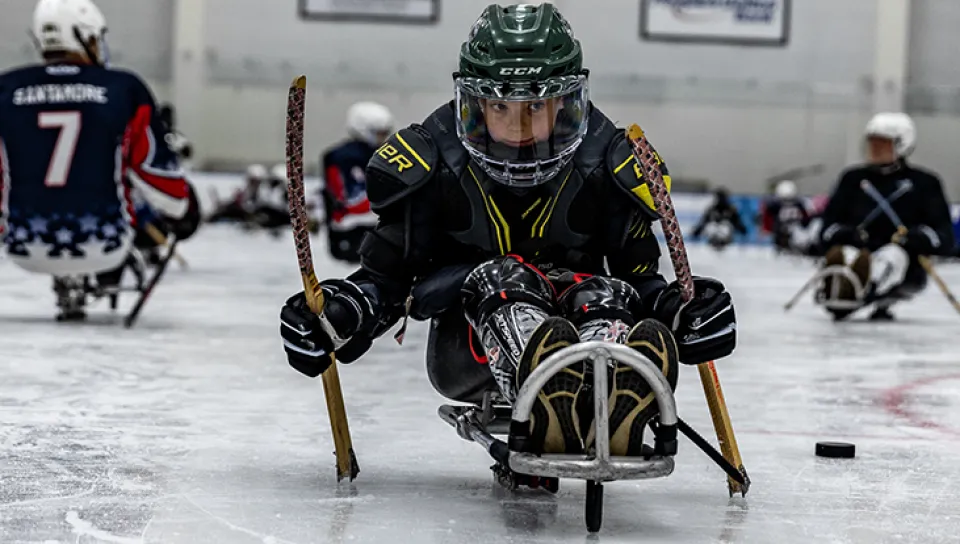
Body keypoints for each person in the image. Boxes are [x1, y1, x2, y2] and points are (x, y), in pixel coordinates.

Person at [279, 3, 736, 462]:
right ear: (474, 102)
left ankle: (608, 389)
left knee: (606, 292)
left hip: (582, 314)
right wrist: (339, 315)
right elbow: (387, 283)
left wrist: (685, 310)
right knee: (502, 277)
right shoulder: (430, 159)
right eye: (501, 105)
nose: (518, 127)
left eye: (535, 105)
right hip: (467, 348)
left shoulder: (611, 162)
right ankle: (550, 390)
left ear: (564, 102)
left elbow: (641, 284)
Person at [0, 0, 199, 320]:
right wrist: (184, 211)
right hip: (105, 246)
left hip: (23, 249)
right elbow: (163, 187)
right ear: (84, 36)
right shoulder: (123, 88)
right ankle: (111, 273)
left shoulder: (5, 88)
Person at [817, 112, 954, 321]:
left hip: (907, 266)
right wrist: (843, 234)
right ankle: (840, 284)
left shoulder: (925, 183)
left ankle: (866, 286)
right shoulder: (852, 179)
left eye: (882, 143)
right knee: (845, 252)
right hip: (860, 249)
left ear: (902, 145)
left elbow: (944, 236)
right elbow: (826, 229)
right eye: (871, 142)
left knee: (892, 255)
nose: (874, 149)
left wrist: (918, 238)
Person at [321, 102, 394, 263]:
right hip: (351, 228)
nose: (383, 138)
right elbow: (350, 197)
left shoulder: (379, 153)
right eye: (379, 133)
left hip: (368, 226)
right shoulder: (344, 157)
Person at [763, 180, 812, 254]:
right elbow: (806, 218)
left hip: (791, 231)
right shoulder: (799, 204)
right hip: (791, 231)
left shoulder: (776, 205)